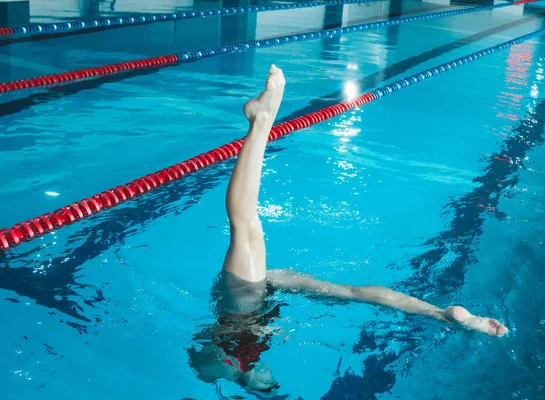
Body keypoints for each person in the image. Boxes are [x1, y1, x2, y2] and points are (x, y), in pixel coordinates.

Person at [187, 65, 508, 393]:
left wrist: (238, 364)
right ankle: (438, 314)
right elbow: (201, 356)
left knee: (250, 228)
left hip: (248, 313)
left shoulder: (236, 359)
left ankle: (261, 121)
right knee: (336, 285)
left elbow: (201, 358)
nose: (269, 380)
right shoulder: (242, 354)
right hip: (253, 307)